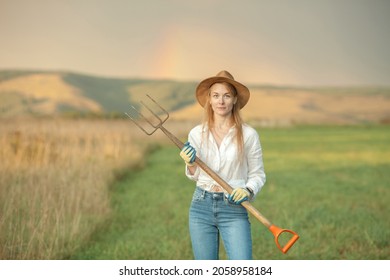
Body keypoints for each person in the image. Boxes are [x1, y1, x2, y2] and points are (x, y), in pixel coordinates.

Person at [179, 70, 266, 260]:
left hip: (234, 208)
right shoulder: (196, 133)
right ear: (209, 99)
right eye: (216, 95)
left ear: (235, 99)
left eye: (227, 95)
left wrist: (248, 190)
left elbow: (258, 174)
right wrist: (190, 163)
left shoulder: (249, 134)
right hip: (201, 206)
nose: (221, 101)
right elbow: (194, 175)